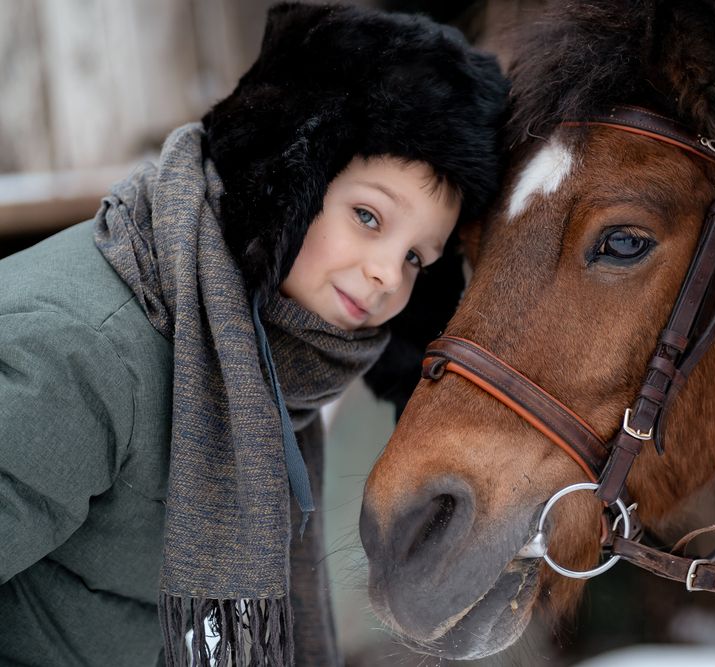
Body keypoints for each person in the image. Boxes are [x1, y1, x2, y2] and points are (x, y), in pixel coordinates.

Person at [0, 3, 508, 665]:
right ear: (287, 178)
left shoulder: (263, 355)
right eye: (368, 216)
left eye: (417, 257)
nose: (388, 273)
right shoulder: (79, 355)